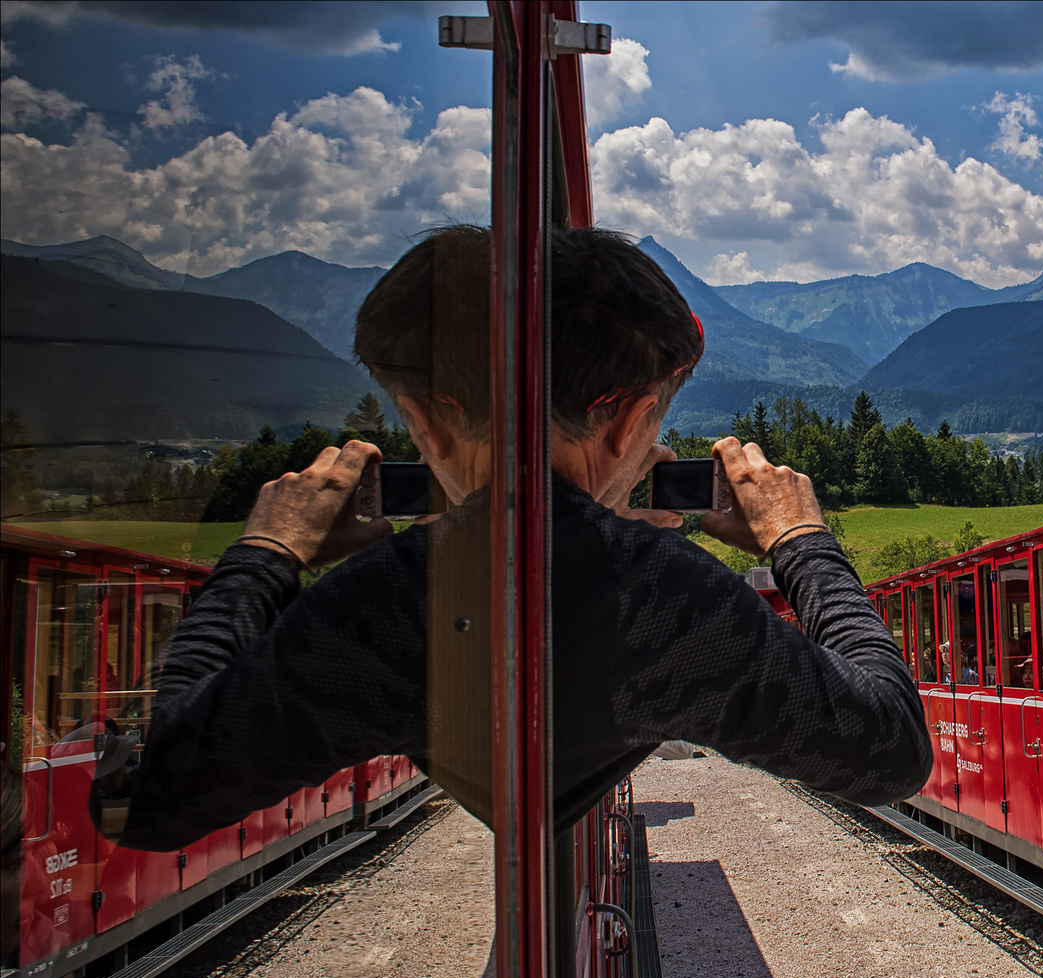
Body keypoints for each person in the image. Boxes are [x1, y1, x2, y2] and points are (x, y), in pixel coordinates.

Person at [98, 225, 929, 848]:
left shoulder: (390, 602)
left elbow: (155, 794)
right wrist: (799, 540)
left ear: (423, 419)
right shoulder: (661, 596)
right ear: (632, 422)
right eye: (653, 432)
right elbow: (890, 751)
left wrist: (266, 557)